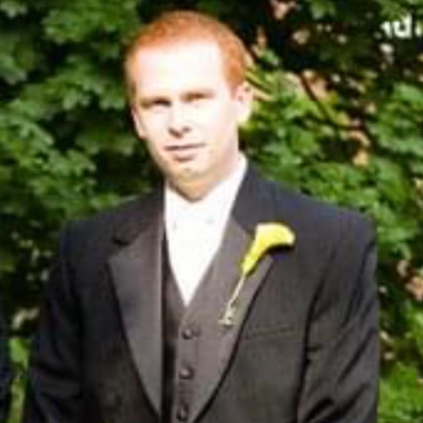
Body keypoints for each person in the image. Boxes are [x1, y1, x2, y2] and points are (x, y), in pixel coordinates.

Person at [22, 10, 379, 423]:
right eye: (157, 104)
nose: (178, 123)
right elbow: (51, 411)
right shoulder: (86, 249)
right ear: (137, 120)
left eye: (196, 99)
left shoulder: (332, 243)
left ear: (242, 103)